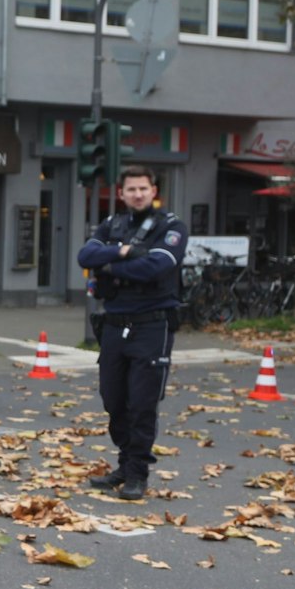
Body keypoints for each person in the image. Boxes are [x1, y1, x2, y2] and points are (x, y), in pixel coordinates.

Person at [76, 166, 189, 501]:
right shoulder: (113, 224)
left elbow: (158, 265)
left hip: (152, 324)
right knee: (113, 398)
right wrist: (123, 252)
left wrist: (108, 265)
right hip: (114, 323)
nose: (137, 194)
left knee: (142, 402)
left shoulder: (171, 226)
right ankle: (124, 464)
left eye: (143, 188)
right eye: (131, 189)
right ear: (122, 193)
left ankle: (137, 472)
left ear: (154, 190)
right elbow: (85, 256)